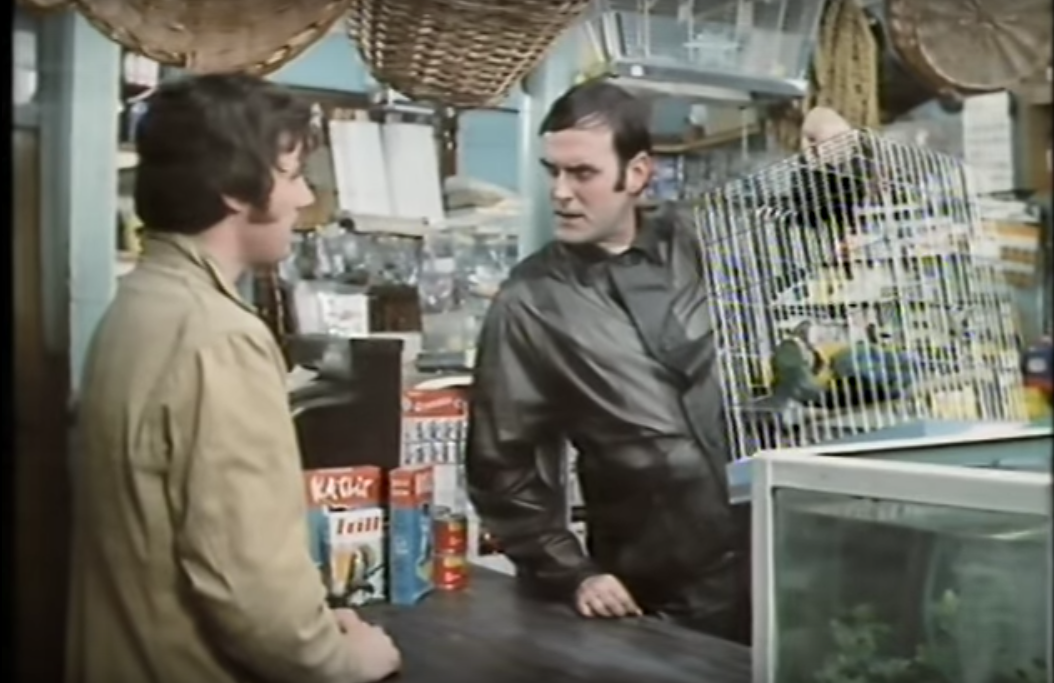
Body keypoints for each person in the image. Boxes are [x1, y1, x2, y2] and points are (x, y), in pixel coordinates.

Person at [66, 74, 400, 683]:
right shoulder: (219, 336)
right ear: (232, 188)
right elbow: (246, 577)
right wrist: (345, 660)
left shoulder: (137, 304)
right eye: (291, 174)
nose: (304, 197)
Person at [465, 80, 751, 644]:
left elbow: (803, 222)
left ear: (637, 173)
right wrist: (572, 571)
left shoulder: (697, 241)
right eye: (553, 172)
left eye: (582, 173)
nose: (561, 193)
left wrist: (835, 153)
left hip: (761, 566)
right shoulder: (532, 301)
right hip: (648, 597)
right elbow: (500, 465)